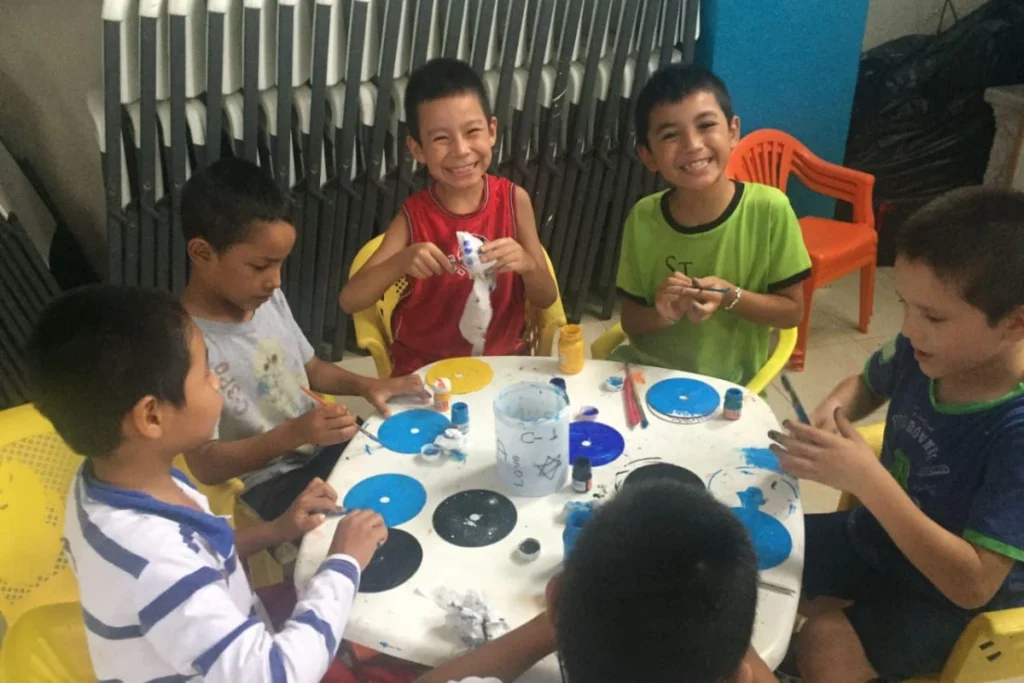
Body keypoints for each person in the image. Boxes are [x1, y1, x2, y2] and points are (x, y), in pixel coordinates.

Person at [24, 285, 389, 683]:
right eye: (204, 374)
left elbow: (203, 556)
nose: (217, 381)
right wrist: (344, 562)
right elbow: (277, 674)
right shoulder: (156, 561)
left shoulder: (110, 481)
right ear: (151, 416)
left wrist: (275, 529)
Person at [769, 188, 1024, 682]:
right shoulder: (923, 348)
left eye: (932, 316)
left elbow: (972, 585)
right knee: (757, 556)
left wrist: (868, 480)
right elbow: (865, 383)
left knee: (825, 638)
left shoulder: (1014, 430)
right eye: (904, 303)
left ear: (1015, 322)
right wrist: (831, 410)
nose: (908, 328)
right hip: (882, 539)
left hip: (948, 599)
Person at [178, 158, 428, 520]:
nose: (276, 281)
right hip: (271, 482)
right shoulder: (185, 344)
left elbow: (310, 368)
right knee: (375, 528)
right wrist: (294, 433)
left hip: (319, 446)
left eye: (280, 264)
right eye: (260, 266)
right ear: (202, 253)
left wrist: (368, 385)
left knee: (414, 468)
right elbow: (205, 464)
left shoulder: (265, 298)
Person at [408, 481, 779, 683]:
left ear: (553, 598)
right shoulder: (739, 671)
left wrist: (565, 613)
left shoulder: (558, 606)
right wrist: (719, 624)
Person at [338, 58, 558, 377]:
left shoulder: (514, 201)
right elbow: (350, 300)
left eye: (472, 132)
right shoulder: (413, 218)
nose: (460, 150)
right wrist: (401, 262)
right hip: (427, 370)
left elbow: (547, 296)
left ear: (492, 131)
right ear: (417, 149)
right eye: (441, 138)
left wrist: (526, 263)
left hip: (502, 364)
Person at [613, 64, 811, 386]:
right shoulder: (643, 217)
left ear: (733, 132)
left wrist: (731, 296)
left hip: (726, 389)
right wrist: (663, 313)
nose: (692, 144)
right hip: (647, 378)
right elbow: (631, 321)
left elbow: (792, 313)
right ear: (648, 155)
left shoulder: (769, 210)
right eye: (670, 134)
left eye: (706, 125)